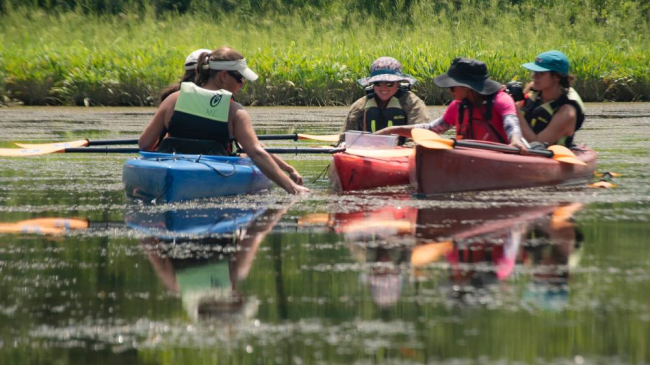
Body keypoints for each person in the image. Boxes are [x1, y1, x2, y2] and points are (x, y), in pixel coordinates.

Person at [138, 46, 308, 194]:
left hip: (169, 166)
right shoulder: (235, 111)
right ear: (223, 76)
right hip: (213, 173)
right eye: (240, 79)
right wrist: (292, 187)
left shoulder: (174, 99)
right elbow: (256, 153)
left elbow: (144, 144)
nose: (242, 84)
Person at [376, 58, 525, 149]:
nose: (449, 90)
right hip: (470, 157)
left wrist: (516, 141)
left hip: (502, 155)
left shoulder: (501, 100)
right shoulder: (458, 106)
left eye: (452, 86)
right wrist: (393, 130)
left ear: (468, 87)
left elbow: (511, 125)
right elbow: (432, 129)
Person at [341, 57, 429, 144]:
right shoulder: (360, 105)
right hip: (367, 150)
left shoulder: (413, 104)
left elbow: (418, 137)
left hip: (402, 152)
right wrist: (343, 144)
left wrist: (405, 150)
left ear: (398, 83)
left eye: (389, 83)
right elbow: (345, 137)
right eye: (378, 83)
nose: (383, 88)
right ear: (373, 84)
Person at [517, 50, 586, 147]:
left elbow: (537, 144)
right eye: (534, 72)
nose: (534, 76)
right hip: (522, 145)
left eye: (540, 73)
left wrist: (513, 110)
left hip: (546, 152)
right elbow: (516, 108)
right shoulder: (533, 87)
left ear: (557, 77)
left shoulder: (567, 112)